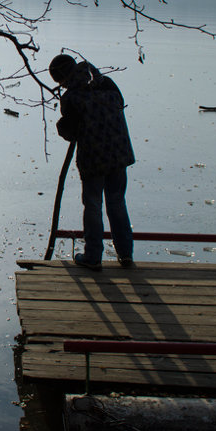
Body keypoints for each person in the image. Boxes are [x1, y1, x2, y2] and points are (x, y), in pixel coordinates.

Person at [49, 54, 135, 271]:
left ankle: (93, 256)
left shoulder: (71, 98)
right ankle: (125, 255)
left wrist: (61, 127)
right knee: (117, 203)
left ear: (63, 78)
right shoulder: (106, 83)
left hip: (93, 158)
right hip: (118, 153)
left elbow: (70, 131)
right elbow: (120, 105)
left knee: (93, 206)